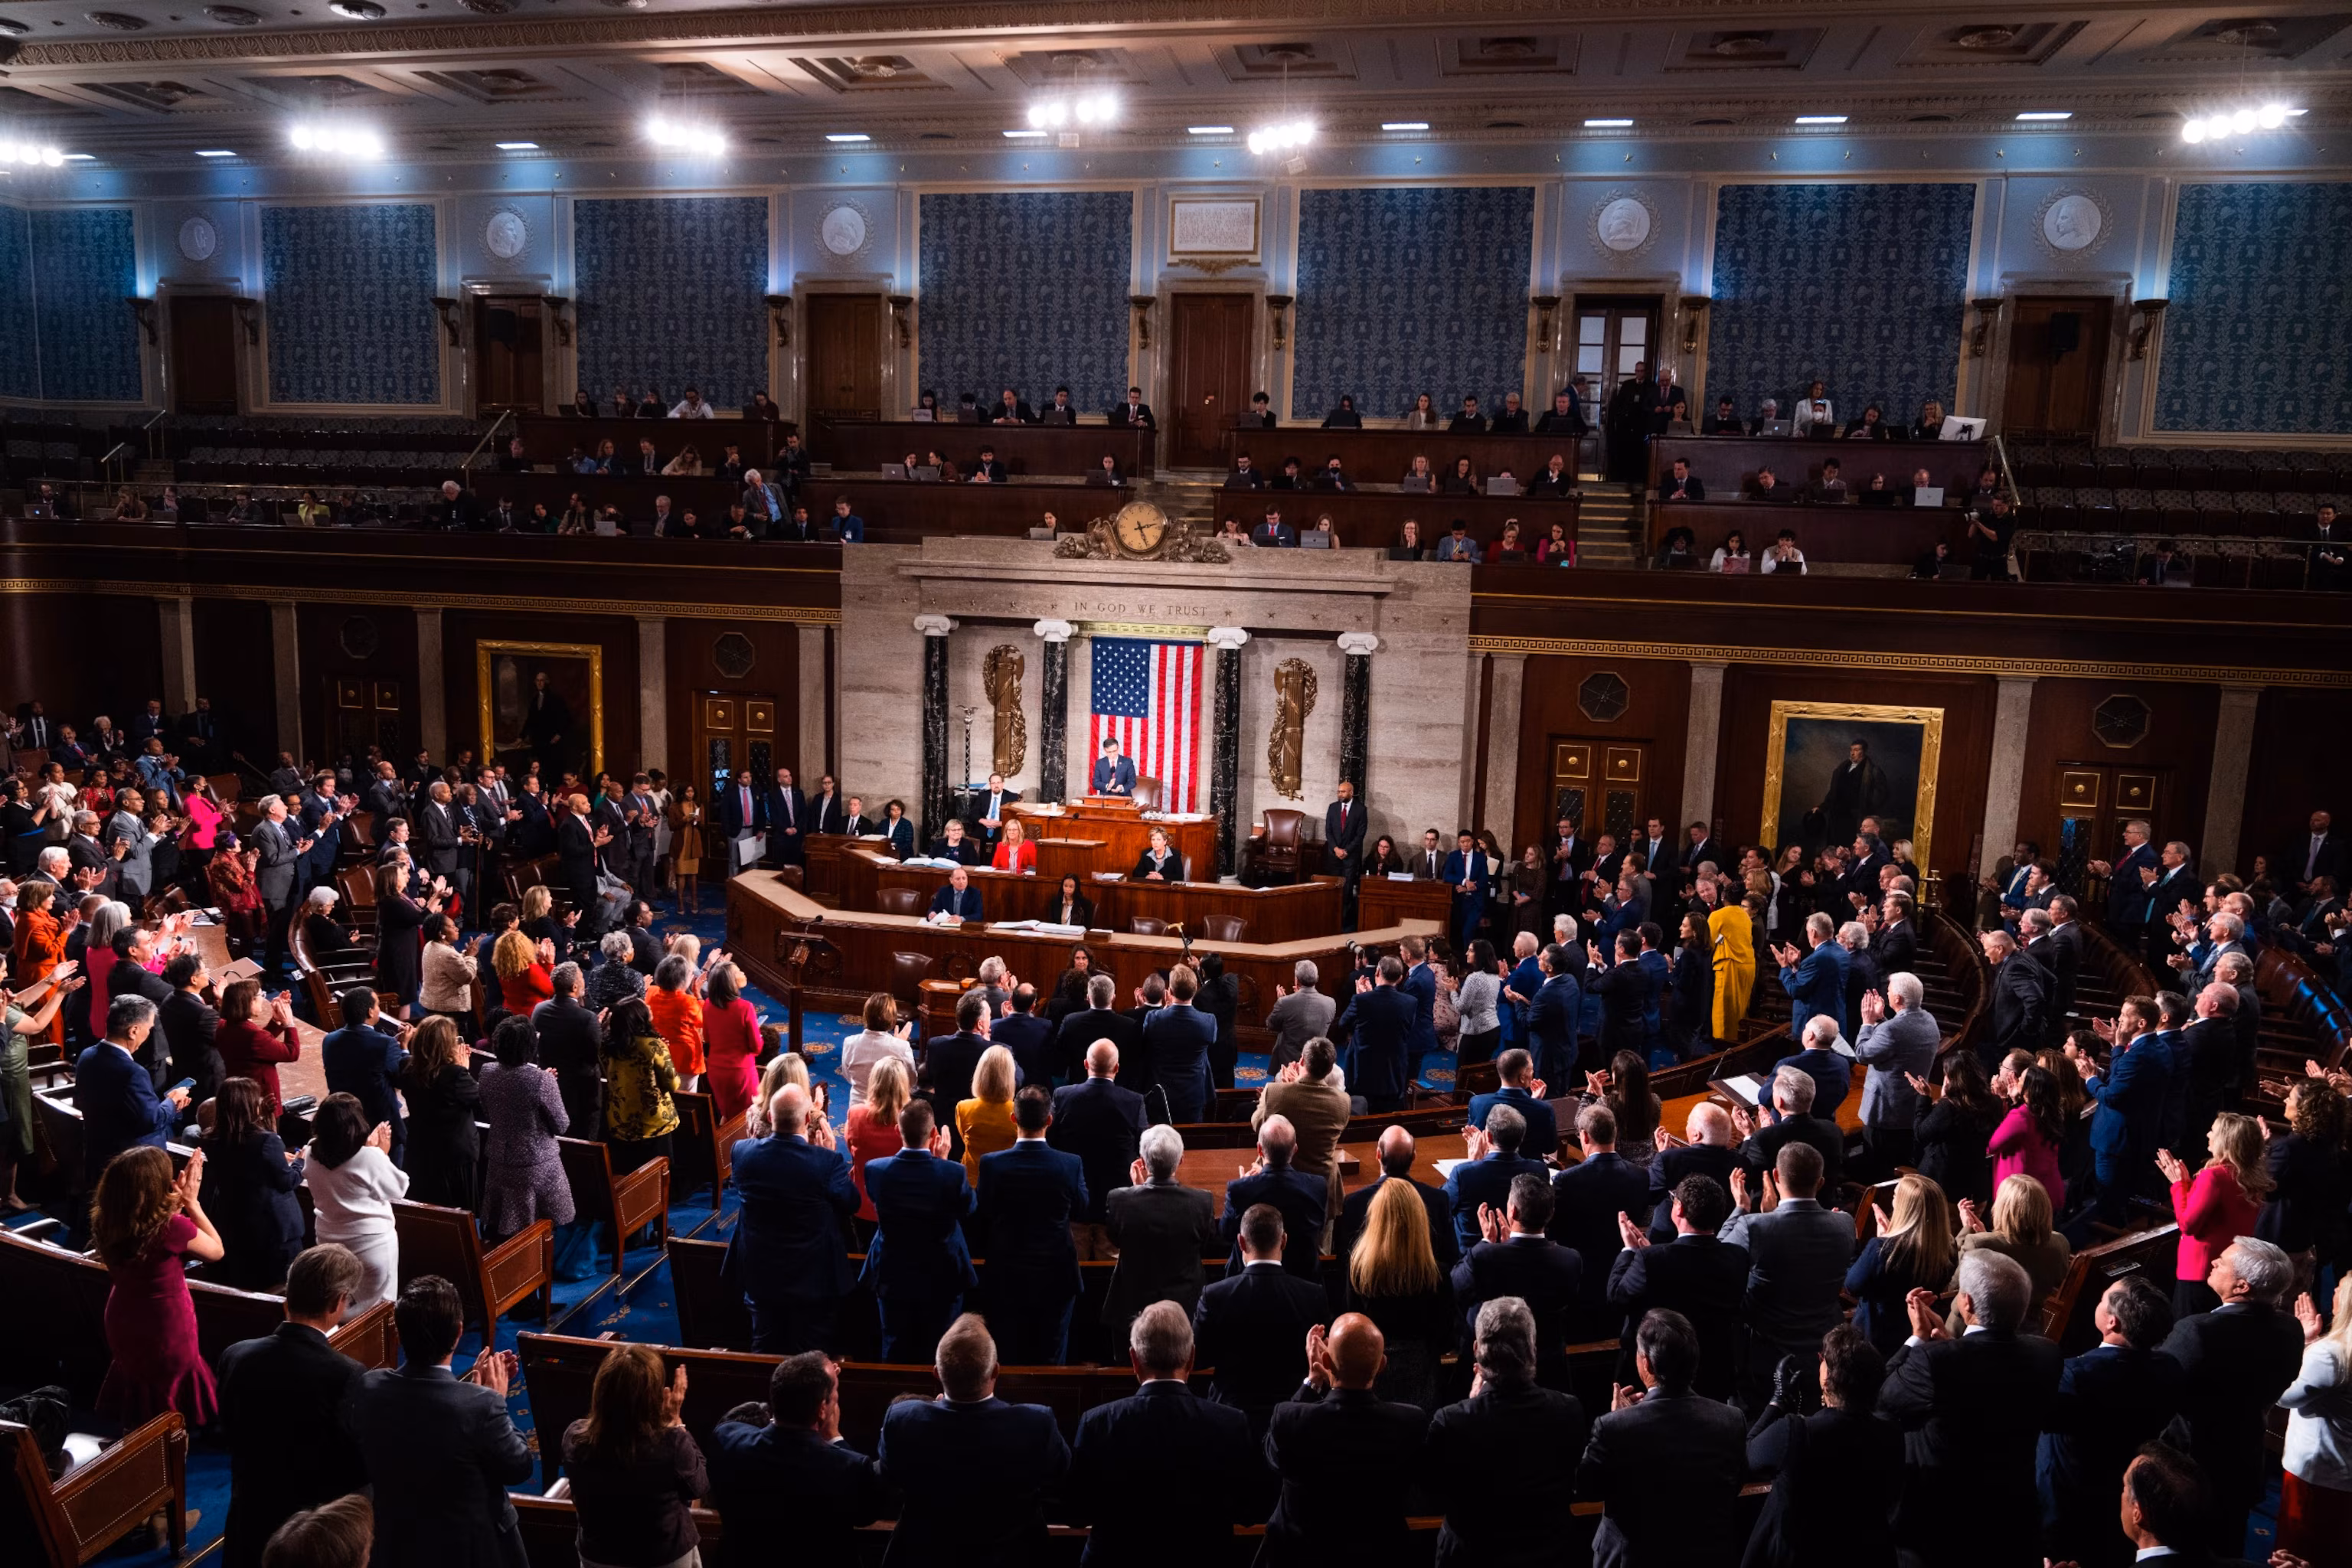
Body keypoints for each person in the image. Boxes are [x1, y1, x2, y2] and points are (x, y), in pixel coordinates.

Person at [1877, 1250, 2063, 1568]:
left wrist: (1918, 1338)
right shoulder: (2047, 1354)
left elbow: (1882, 1397)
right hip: (2012, 1520)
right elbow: (1990, 1377)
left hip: (1941, 1526)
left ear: (1967, 1303)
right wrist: (1950, 1344)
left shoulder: (1934, 1361)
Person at [342, 1275, 532, 1568]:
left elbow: (429, 1414)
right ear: (459, 1332)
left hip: (395, 1546)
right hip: (471, 1551)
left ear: (399, 1332)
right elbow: (519, 1466)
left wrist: (474, 1391)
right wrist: (495, 1399)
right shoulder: (481, 1406)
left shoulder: (369, 1387)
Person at [1064, 1301, 1266, 1565]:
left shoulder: (1097, 1423)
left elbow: (1077, 1513)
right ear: (1191, 1357)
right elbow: (1249, 1511)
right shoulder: (1230, 1423)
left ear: (1134, 1360)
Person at [216, 1245, 371, 1568]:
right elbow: (355, 1466)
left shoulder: (236, 1354)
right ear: (336, 1302)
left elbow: (228, 1431)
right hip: (309, 1536)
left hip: (248, 1519)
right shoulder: (345, 1374)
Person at [874, 1313, 1068, 1567]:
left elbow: (886, 1480)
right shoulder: (1036, 1423)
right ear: (996, 1371)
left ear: (936, 1373)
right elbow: (1063, 1482)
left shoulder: (903, 1419)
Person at [2160, 1235, 2306, 1554]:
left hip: (2188, 1464)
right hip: (2244, 1458)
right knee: (2228, 1548)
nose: (2213, 1261)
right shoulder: (2291, 1329)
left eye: (2222, 1261)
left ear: (2242, 1287)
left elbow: (2157, 1388)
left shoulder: (2197, 1331)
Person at [1578, 1308, 1752, 1567]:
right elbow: (1735, 1483)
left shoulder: (1613, 1427)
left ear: (1646, 1363)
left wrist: (1617, 1421)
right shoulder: (1731, 1420)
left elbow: (1586, 1488)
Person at [2035, 1275, 2185, 1568]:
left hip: (2067, 1500)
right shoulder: (2170, 1368)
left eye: (2103, 1299)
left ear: (2112, 1322)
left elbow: (2041, 1417)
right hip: (2123, 1493)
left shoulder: (2075, 1375)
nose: (2099, 1302)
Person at [1259, 1312, 1431, 1566]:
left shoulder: (1290, 1418)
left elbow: (1272, 1456)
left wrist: (1312, 1382)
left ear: (1326, 1361)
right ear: (1382, 1364)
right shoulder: (1410, 1423)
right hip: (1380, 1555)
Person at [93, 1143, 223, 1424]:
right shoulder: (172, 1228)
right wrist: (192, 1203)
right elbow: (216, 1251)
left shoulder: (108, 1219)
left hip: (123, 1315)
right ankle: (171, 1447)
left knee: (140, 1379)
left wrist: (177, 1204)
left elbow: (147, 1221)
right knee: (170, 1390)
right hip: (164, 1325)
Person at [1722, 1140, 1854, 1410]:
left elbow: (1718, 1258)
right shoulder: (1844, 1223)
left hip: (1766, 1358)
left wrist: (1741, 1208)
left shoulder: (1753, 1226)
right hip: (1824, 1354)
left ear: (1777, 1176)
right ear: (1820, 1182)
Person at [559, 1342, 709, 1568]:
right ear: (654, 1398)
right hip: (663, 1557)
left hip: (598, 1556)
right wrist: (676, 1424)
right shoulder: (672, 1443)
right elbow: (699, 1486)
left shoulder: (574, 1436)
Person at [975, 1085, 1089, 1364]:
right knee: (1051, 1356)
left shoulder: (992, 1164)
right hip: (1056, 1277)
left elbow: (983, 1211)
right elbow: (1082, 1209)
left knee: (1006, 1353)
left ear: (1014, 1119)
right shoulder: (1070, 1164)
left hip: (1006, 1275)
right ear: (1049, 1120)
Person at [1607, 1172, 1748, 1400]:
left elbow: (1617, 1297)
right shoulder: (1737, 1257)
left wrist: (1629, 1252)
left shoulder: (1651, 1260)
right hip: (1713, 1373)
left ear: (1679, 1209)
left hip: (1658, 1373)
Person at [861, 1096, 975, 1363]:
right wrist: (944, 1161)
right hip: (943, 1275)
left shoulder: (876, 1171)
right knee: (942, 1350)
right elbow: (969, 1208)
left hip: (893, 1272)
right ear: (934, 1133)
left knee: (895, 1344)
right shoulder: (952, 1174)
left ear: (898, 1130)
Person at [1340, 1178, 1455, 1410]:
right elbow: (1446, 1339)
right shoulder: (1437, 1275)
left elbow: (1353, 1326)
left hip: (1373, 1377)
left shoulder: (1360, 1271)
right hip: (1423, 1378)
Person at [2161, 1110, 2272, 1315]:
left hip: (2199, 1271)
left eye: (2213, 1131)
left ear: (2225, 1140)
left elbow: (2188, 1226)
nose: (2208, 1135)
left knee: (2188, 1332)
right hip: (2230, 1269)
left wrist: (2179, 1185)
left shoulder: (2214, 1176)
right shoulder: (2251, 1173)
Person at [201, 1076, 306, 1289]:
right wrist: (300, 1161)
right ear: (248, 1105)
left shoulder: (210, 1138)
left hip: (238, 1225)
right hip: (276, 1231)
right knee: (284, 1285)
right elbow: (287, 1181)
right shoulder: (267, 1141)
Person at [302, 1093, 407, 1309]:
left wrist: (373, 1153)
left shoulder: (311, 1152)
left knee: (337, 1305)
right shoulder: (368, 1157)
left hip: (328, 1241)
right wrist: (381, 1154)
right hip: (372, 1246)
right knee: (380, 1311)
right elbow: (400, 1188)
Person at [476, 1015, 572, 1243]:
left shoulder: (487, 1071)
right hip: (536, 1164)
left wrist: (543, 1083)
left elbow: (491, 1110)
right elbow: (562, 1125)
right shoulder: (541, 1081)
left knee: (503, 1227)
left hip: (500, 1160)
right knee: (539, 1229)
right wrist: (548, 1085)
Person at [1050, 1038, 1147, 1259]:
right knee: (1109, 1275)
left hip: (1074, 1202)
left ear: (1086, 1064)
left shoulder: (1063, 1096)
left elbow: (1052, 1143)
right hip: (1113, 1204)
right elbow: (1142, 1148)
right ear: (1117, 1068)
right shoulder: (1134, 1102)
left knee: (1074, 1268)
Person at [2280, 1274, 2352, 1566]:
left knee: (2296, 1552)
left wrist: (2305, 1343)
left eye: (2340, 1288)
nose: (2333, 1289)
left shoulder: (2332, 1355)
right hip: (2344, 1473)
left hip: (2317, 1471)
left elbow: (2284, 1395)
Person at [1853, 971, 1937, 1176]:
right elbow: (1898, 1043)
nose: (1887, 994)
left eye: (1889, 991)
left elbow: (1862, 1054)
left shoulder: (1891, 1030)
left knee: (1878, 1169)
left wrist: (1867, 1022)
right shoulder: (1929, 1020)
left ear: (1897, 998)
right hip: (1910, 1110)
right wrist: (1882, 1019)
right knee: (1898, 1164)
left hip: (1884, 1114)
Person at [397, 1015, 480, 1210]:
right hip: (454, 1158)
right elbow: (481, 1101)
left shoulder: (407, 1067)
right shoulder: (456, 1075)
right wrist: (464, 1070)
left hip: (421, 1152)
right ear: (446, 1045)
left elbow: (406, 1059)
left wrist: (403, 1046)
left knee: (429, 1209)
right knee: (461, 1212)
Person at [602, 995, 681, 1174]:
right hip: (653, 1122)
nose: (650, 1009)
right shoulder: (653, 1046)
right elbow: (673, 1084)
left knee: (631, 1176)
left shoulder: (606, 1045)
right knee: (659, 1178)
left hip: (620, 1118)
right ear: (639, 1017)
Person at [1914, 1048, 2000, 1211]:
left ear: (1953, 1079)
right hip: (1977, 1190)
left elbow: (1920, 1134)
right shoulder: (1993, 1102)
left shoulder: (1950, 1108)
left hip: (1946, 1194)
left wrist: (1924, 1098)